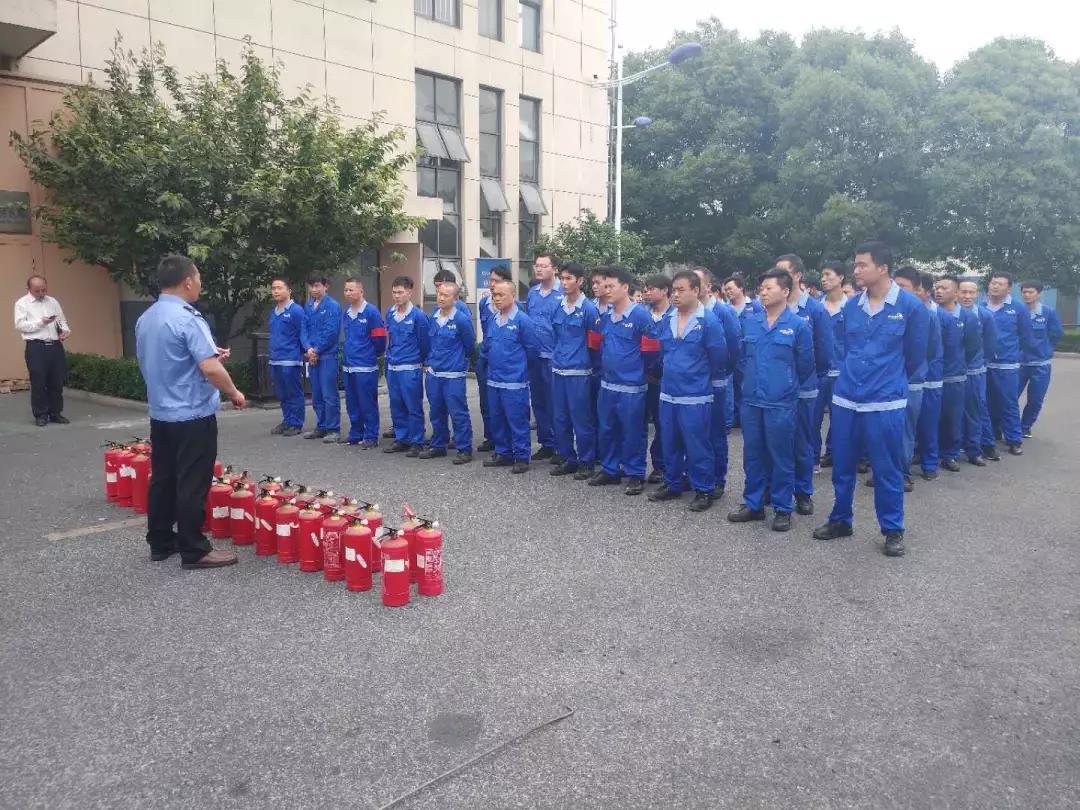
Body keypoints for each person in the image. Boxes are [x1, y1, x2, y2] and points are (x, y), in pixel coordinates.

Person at [813, 242, 929, 558]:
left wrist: (887, 378)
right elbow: (845, 348)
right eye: (855, 264)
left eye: (862, 264)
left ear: (882, 268)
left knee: (887, 469)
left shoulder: (911, 307)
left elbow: (915, 356)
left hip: (885, 402)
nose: (856, 270)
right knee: (842, 466)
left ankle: (892, 529)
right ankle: (840, 519)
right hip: (847, 399)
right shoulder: (852, 306)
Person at [135, 255, 245, 569]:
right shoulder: (187, 318)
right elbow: (209, 368)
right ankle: (194, 550)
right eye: (198, 278)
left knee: (163, 479)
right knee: (192, 482)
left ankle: (160, 541)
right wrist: (234, 392)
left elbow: (170, 359)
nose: (199, 284)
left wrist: (209, 356)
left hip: (161, 413)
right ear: (187, 281)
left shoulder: (147, 318)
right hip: (192, 415)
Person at [727, 269, 813, 531]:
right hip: (752, 401)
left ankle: (783, 507)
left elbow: (806, 365)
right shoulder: (751, 322)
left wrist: (785, 384)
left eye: (769, 288)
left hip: (781, 403)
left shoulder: (798, 325)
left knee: (781, 457)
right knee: (752, 455)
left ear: (785, 291)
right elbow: (741, 358)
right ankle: (753, 504)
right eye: (761, 288)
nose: (763, 292)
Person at [648, 271, 727, 512]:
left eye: (681, 290)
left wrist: (699, 378)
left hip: (695, 394)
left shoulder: (709, 321)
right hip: (669, 392)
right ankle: (673, 483)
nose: (675, 295)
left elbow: (719, 357)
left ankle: (703, 489)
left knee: (697, 444)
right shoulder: (668, 318)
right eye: (674, 290)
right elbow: (662, 353)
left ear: (696, 290)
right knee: (670, 441)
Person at [590, 266, 658, 496]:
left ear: (625, 287)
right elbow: (598, 347)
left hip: (631, 386)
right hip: (608, 385)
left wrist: (643, 372)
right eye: (604, 286)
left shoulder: (640, 316)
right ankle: (610, 469)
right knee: (607, 428)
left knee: (633, 431)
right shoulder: (605, 317)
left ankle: (635, 472)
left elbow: (651, 351)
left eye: (611, 286)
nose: (606, 290)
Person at [774, 254, 833, 515]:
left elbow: (824, 353)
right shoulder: (771, 306)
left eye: (784, 273)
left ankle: (802, 492)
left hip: (803, 389)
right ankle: (775, 490)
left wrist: (807, 378)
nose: (778, 278)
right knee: (775, 443)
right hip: (775, 390)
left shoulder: (815, 309)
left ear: (798, 276)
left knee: (802, 443)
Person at [881, 265, 932, 492]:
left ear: (917, 289)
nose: (898, 291)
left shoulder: (924, 315)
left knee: (904, 431)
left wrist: (906, 373)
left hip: (910, 381)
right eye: (896, 285)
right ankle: (884, 472)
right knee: (885, 430)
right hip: (886, 382)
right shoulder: (886, 311)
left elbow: (927, 351)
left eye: (903, 287)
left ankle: (902, 474)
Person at [483, 277, 540, 473]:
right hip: (494, 380)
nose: (497, 298)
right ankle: (503, 453)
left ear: (513, 296)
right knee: (497, 419)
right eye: (494, 295)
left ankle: (522, 456)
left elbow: (532, 351)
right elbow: (488, 347)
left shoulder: (523, 321)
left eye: (501, 295)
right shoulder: (493, 319)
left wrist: (520, 370)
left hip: (514, 382)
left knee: (517, 421)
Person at [550, 261, 601, 480]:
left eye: (568, 278)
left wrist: (587, 364)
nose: (564, 282)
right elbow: (556, 336)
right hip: (558, 370)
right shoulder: (557, 306)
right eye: (561, 278)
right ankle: (567, 458)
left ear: (580, 281)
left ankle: (586, 462)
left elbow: (596, 344)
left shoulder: (588, 309)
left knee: (581, 419)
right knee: (560, 419)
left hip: (579, 373)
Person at [694, 268, 740, 496]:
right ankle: (695, 476)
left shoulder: (723, 312)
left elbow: (734, 348)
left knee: (715, 433)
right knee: (694, 432)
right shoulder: (686, 311)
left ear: (708, 287)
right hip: (693, 383)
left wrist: (721, 372)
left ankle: (717, 479)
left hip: (715, 382)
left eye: (697, 282)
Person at [984, 272, 1037, 455]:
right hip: (984, 365)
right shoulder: (980, 306)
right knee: (986, 403)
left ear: (1009, 288)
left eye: (1000, 284)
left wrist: (1013, 355)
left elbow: (1026, 337)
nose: (995, 286)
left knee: (1009, 403)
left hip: (1007, 366)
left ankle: (1014, 439)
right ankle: (991, 436)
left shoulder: (1018, 309)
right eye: (993, 283)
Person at [422, 281, 475, 463]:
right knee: (436, 411)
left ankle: (464, 448)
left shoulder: (461, 319)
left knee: (458, 412)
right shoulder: (434, 316)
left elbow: (469, 346)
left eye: (446, 295)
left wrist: (459, 362)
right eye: (439, 294)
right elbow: (430, 343)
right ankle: (438, 445)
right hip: (434, 373)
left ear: (455, 298)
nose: (441, 298)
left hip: (453, 374)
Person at [934, 276, 980, 472]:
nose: (938, 291)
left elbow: (972, 347)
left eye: (944, 288)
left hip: (954, 376)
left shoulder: (968, 317)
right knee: (930, 418)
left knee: (952, 418)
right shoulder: (930, 312)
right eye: (937, 287)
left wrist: (958, 363)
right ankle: (926, 452)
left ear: (955, 293)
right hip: (931, 376)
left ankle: (950, 454)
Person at [14, 274, 71, 427]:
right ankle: (41, 414)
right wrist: (41, 322)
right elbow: (20, 325)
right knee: (38, 381)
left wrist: (65, 331)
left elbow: (61, 320)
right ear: (29, 289)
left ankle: (56, 412)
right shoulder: (22, 303)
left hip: (55, 345)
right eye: (37, 291)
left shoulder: (52, 301)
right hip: (36, 346)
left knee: (57, 381)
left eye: (43, 290)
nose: (41, 293)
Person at [383, 276, 430, 456]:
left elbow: (424, 342)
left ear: (409, 292)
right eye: (394, 292)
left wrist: (423, 362)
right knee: (396, 405)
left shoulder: (418, 316)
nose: (396, 296)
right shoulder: (390, 313)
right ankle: (401, 438)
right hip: (393, 367)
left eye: (400, 292)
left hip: (410, 368)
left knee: (413, 406)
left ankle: (417, 441)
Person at [524, 252, 564, 462]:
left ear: (554, 269)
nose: (539, 269)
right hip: (534, 355)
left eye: (544, 266)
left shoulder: (563, 292)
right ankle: (546, 443)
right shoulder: (532, 293)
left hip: (554, 356)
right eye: (537, 265)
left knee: (555, 403)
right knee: (538, 402)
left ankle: (561, 446)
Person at [340, 277, 386, 447]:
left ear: (361, 291)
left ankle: (371, 436)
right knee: (352, 403)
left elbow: (380, 339)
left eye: (351, 289)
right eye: (346, 290)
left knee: (367, 403)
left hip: (365, 366)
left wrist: (371, 354)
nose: (347, 293)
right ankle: (356, 433)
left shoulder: (371, 312)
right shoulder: (347, 313)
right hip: (349, 366)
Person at [475, 264, 514, 453]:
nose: (491, 284)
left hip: (504, 360)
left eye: (496, 281)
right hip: (486, 356)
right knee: (486, 401)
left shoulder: (515, 307)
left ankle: (507, 440)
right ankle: (491, 437)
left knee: (504, 403)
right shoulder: (484, 303)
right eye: (490, 280)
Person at [958, 279, 997, 465]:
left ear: (978, 294)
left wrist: (979, 363)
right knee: (953, 413)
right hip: (952, 373)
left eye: (971, 292)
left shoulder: (985, 316)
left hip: (974, 371)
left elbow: (990, 345)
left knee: (977, 410)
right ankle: (953, 448)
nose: (967, 296)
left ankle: (980, 448)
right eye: (963, 292)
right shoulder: (948, 313)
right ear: (956, 293)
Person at [1018, 281, 1063, 437]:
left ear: (1039, 294)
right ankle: (1007, 426)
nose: (1027, 295)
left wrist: (1046, 350)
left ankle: (1025, 427)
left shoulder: (1048, 312)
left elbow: (1056, 333)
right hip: (1019, 363)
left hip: (1040, 364)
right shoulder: (1017, 311)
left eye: (1030, 292)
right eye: (1024, 292)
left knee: (1036, 399)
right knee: (1009, 397)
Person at [302, 274, 342, 442]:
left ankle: (333, 429)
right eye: (311, 286)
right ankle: (322, 426)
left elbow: (331, 332)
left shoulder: (333, 306)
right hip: (312, 355)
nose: (314, 289)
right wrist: (308, 348)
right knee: (316, 394)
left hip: (327, 356)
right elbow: (303, 329)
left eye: (317, 285)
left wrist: (316, 350)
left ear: (326, 286)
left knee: (329, 394)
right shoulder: (309, 305)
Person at [642, 274, 674, 483]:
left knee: (664, 424)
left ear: (664, 291)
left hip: (664, 381)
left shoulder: (674, 316)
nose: (647, 292)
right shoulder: (643, 315)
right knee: (639, 423)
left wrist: (658, 371)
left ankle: (661, 466)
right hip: (641, 379)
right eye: (645, 288)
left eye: (651, 288)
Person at [912, 271, 944, 481]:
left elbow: (934, 349)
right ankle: (903, 463)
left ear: (925, 291)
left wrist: (923, 366)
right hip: (908, 378)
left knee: (929, 423)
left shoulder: (938, 315)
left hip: (930, 377)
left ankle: (929, 464)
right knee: (903, 427)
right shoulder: (903, 313)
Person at [266, 278, 307, 437]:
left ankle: (296, 423)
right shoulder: (274, 312)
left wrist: (305, 352)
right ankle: (287, 420)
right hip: (275, 358)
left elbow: (303, 333)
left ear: (289, 291)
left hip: (290, 359)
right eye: (273, 288)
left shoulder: (296, 311)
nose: (276, 291)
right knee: (282, 393)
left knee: (293, 392)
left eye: (279, 288)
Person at [816, 262, 847, 468]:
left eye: (828, 275)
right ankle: (811, 458)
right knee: (813, 417)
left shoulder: (852, 307)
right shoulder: (815, 307)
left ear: (841, 277)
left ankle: (835, 454)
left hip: (843, 372)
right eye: (822, 275)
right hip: (818, 372)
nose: (823, 279)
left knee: (841, 419)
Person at [723, 274, 761, 427]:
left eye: (730, 288)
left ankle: (746, 418)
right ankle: (732, 418)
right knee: (730, 388)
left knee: (745, 387)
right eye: (726, 290)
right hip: (730, 354)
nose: (728, 292)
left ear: (741, 288)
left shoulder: (755, 307)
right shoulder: (724, 309)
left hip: (748, 355)